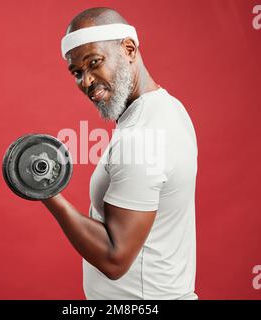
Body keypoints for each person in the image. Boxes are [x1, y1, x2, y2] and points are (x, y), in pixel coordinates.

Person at [42, 7, 198, 300]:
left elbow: (115, 259)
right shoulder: (169, 108)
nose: (86, 81)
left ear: (128, 49)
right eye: (77, 72)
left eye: (95, 62)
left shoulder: (141, 137)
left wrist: (48, 194)